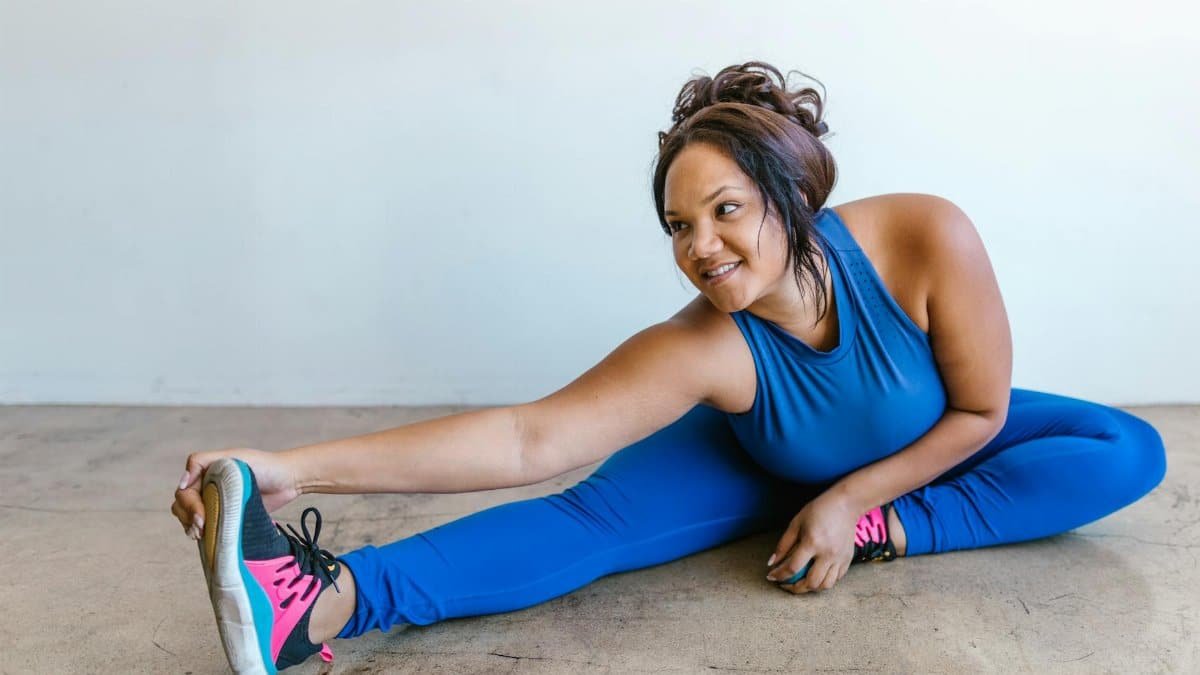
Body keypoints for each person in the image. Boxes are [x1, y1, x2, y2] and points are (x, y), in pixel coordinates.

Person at [170, 61, 1167, 673]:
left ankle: (884, 523)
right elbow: (532, 438)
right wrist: (289, 468)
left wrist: (858, 510)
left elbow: (981, 410)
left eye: (725, 210)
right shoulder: (704, 344)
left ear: (789, 194)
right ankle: (318, 603)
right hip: (754, 459)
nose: (701, 246)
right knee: (585, 524)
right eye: (678, 225)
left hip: (916, 442)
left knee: (1124, 447)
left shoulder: (923, 236)